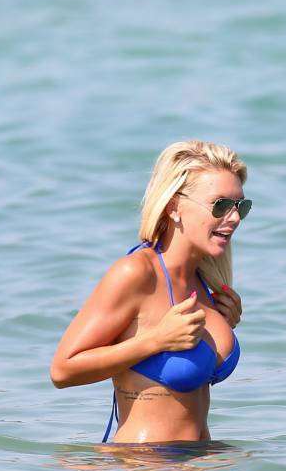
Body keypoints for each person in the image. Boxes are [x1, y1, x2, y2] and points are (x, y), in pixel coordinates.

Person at [51, 140, 249, 443]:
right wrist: (156, 340)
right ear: (174, 207)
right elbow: (63, 370)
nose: (234, 218)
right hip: (145, 464)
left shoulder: (204, 282)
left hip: (201, 460)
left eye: (240, 207)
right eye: (220, 205)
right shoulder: (136, 273)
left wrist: (223, 324)